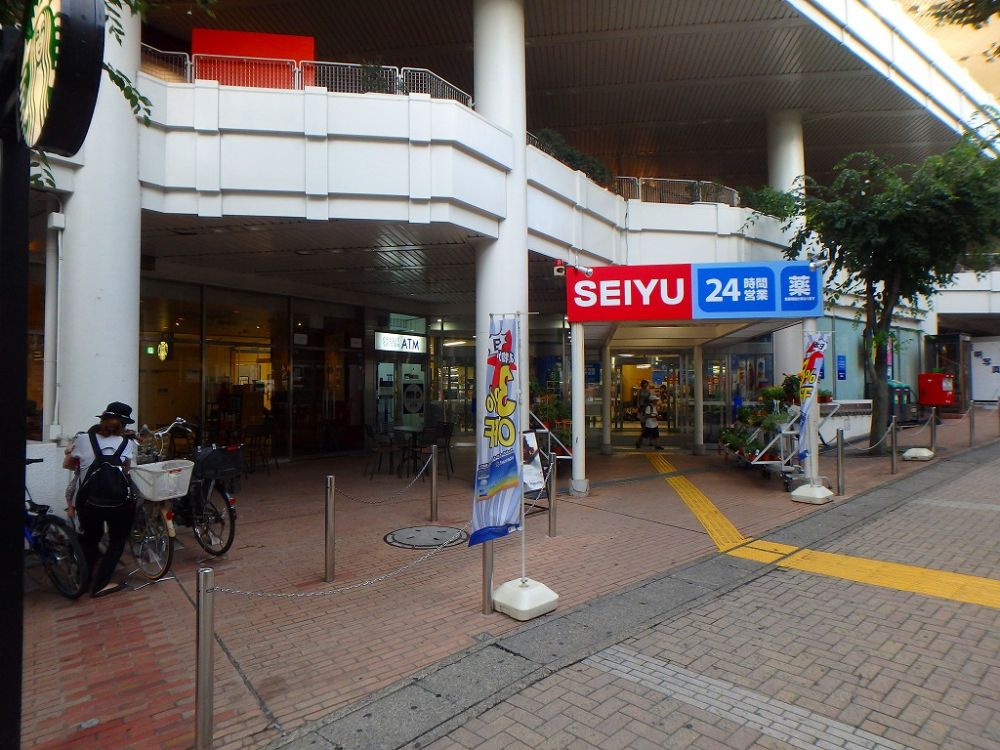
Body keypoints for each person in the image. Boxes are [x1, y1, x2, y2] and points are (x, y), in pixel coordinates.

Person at [63, 401, 137, 598]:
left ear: (102, 419)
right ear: (124, 425)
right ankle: (101, 584)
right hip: (117, 503)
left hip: (87, 501)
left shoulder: (83, 439)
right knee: (117, 540)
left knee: (90, 539)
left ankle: (83, 581)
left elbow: (68, 465)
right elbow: (126, 470)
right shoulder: (126, 444)